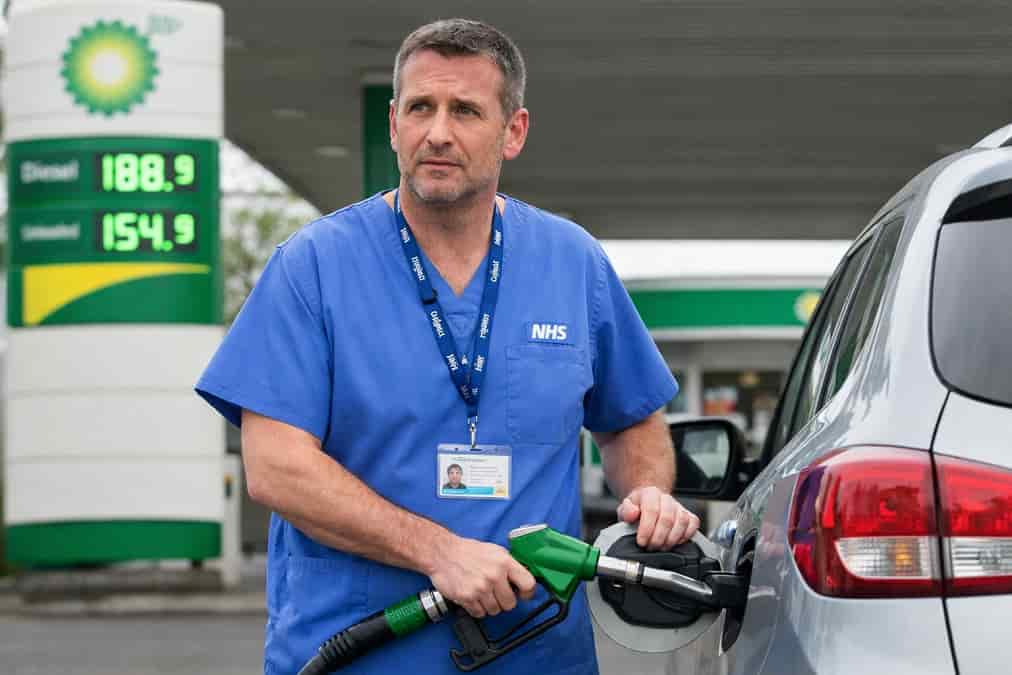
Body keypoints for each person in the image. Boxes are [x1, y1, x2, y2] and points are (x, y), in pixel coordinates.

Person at [195, 18, 700, 675]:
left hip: (536, 651)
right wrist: (440, 551)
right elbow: (275, 465)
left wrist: (649, 498)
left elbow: (632, 423)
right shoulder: (314, 266)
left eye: (465, 110)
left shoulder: (570, 262)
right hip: (357, 649)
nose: (438, 132)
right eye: (420, 108)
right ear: (394, 123)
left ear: (512, 130)